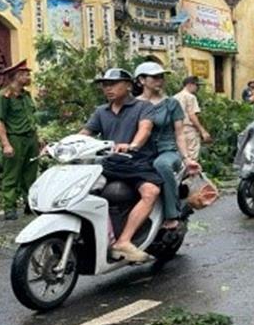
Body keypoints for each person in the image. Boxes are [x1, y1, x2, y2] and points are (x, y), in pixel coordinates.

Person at [80, 68, 160, 263]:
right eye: (105, 85)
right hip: (108, 165)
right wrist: (63, 145)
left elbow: (145, 129)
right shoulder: (101, 111)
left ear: (128, 85)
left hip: (136, 164)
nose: (108, 89)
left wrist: (132, 145)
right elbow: (85, 134)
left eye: (113, 84)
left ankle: (123, 242)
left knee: (151, 192)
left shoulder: (143, 106)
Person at [134, 62, 199, 230]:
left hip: (167, 151)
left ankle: (172, 214)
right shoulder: (133, 105)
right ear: (141, 80)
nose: (159, 80)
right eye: (154, 77)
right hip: (141, 152)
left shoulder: (171, 104)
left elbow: (179, 133)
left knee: (161, 164)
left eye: (161, 77)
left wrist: (187, 158)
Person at [0, 59, 39, 220]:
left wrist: (38, 138)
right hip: (14, 138)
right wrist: (6, 144)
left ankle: (30, 203)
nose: (28, 77)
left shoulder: (26, 95)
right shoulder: (3, 97)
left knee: (31, 174)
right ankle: (9, 207)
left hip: (30, 138)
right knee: (11, 175)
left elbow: (31, 117)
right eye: (25, 75)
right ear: (16, 76)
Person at [174, 76, 212, 160]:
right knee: (192, 158)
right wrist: (203, 131)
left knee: (182, 157)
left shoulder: (175, 97)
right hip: (189, 130)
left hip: (178, 131)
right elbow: (192, 115)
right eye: (196, 85)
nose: (197, 88)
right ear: (190, 85)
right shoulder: (191, 97)